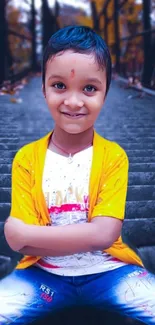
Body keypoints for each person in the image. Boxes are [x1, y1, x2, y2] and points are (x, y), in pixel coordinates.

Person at [1, 25, 155, 325]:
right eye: (59, 85)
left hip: (111, 271)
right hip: (42, 276)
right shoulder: (27, 159)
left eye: (89, 88)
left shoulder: (113, 157)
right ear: (43, 87)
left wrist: (30, 236)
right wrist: (26, 238)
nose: (73, 102)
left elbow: (104, 234)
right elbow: (15, 238)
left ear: (105, 93)